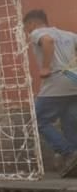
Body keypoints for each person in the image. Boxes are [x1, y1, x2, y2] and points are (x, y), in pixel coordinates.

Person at [23, 10, 77, 177]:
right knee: (69, 120)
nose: (27, 32)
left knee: (37, 120)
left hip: (56, 82)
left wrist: (46, 66)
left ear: (32, 23)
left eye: (26, 28)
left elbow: (48, 41)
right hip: (74, 80)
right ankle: (73, 165)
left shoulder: (38, 33)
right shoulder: (69, 35)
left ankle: (68, 152)